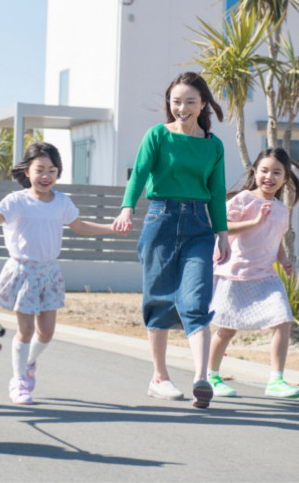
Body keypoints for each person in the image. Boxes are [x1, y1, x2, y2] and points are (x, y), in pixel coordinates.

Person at [0, 142, 127, 405]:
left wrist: (111, 228)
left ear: (58, 173)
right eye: (40, 169)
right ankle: (18, 381)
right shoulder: (17, 201)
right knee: (26, 330)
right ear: (27, 171)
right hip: (23, 272)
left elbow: (78, 226)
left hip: (50, 272)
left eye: (52, 170)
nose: (46, 176)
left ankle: (29, 364)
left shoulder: (62, 202)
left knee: (47, 332)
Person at [112, 72, 230, 409]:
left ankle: (200, 379)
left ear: (202, 104)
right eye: (176, 101)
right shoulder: (158, 136)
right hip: (161, 218)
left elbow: (218, 193)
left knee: (195, 301)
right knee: (160, 299)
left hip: (198, 225)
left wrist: (222, 234)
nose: (182, 108)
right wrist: (126, 209)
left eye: (190, 102)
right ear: (170, 104)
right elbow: (140, 173)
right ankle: (159, 377)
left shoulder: (213, 145)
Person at [207, 147, 299, 399]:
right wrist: (253, 222)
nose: (269, 177)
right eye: (264, 170)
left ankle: (276, 380)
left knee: (283, 320)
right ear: (254, 172)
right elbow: (223, 227)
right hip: (235, 274)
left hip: (266, 277)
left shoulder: (282, 210)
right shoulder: (241, 201)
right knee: (227, 329)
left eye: (276, 172)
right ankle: (211, 376)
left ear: (285, 178)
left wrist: (284, 262)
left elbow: (275, 241)